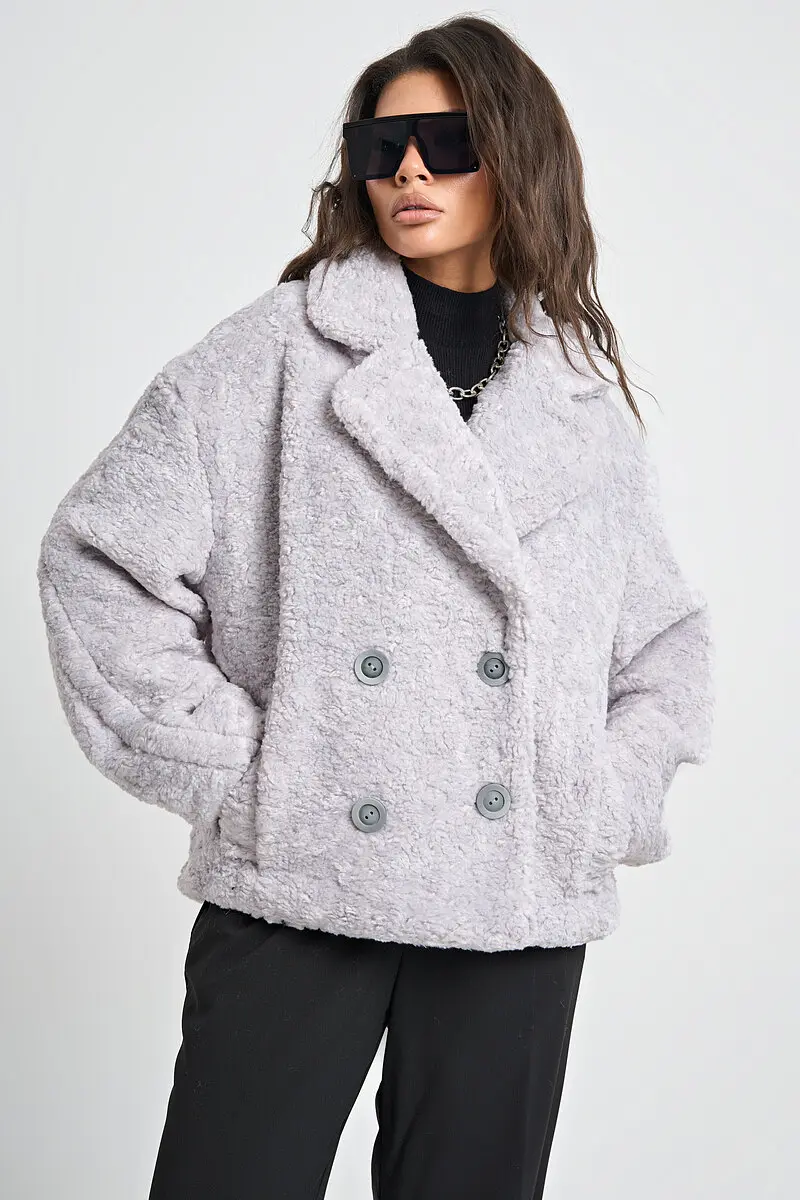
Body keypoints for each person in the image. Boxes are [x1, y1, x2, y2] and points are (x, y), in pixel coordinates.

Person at [36, 15, 715, 1200]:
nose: (407, 170)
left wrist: (592, 796)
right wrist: (253, 773)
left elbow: (660, 639)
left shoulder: (576, 399)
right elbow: (98, 561)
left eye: (445, 142)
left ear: (515, 156)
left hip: (514, 894)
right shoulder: (268, 357)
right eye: (380, 144)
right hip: (304, 879)